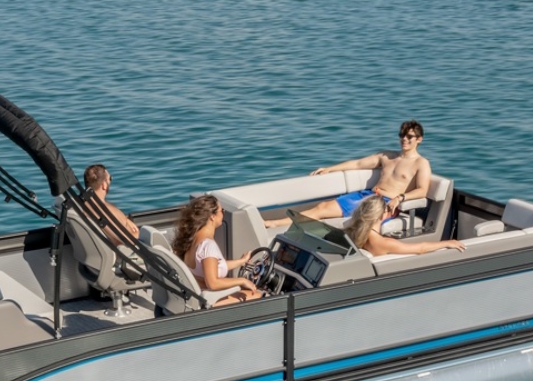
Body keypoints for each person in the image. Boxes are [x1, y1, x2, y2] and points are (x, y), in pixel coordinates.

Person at [265, 120, 436, 229]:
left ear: (419, 139)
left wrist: (400, 198)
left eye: (409, 136)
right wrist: (330, 169)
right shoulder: (387, 156)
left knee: (358, 223)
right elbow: (358, 164)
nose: (404, 139)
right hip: (367, 195)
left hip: (386, 203)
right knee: (322, 207)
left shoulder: (421, 163)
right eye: (402, 135)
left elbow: (422, 190)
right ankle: (275, 223)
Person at [174, 195, 263, 303]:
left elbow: (213, 266)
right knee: (261, 296)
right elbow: (213, 283)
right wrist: (242, 281)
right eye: (222, 211)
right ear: (212, 216)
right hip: (209, 300)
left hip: (198, 296)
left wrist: (241, 261)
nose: (223, 214)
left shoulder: (193, 238)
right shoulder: (208, 245)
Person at [345, 195, 466, 257]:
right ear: (381, 215)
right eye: (388, 209)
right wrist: (447, 243)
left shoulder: (352, 231)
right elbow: (421, 249)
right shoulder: (384, 243)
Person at [82, 164, 140, 245]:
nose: (110, 181)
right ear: (104, 185)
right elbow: (129, 240)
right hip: (125, 248)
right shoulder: (101, 211)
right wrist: (136, 233)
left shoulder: (85, 204)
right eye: (110, 179)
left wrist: (126, 221)